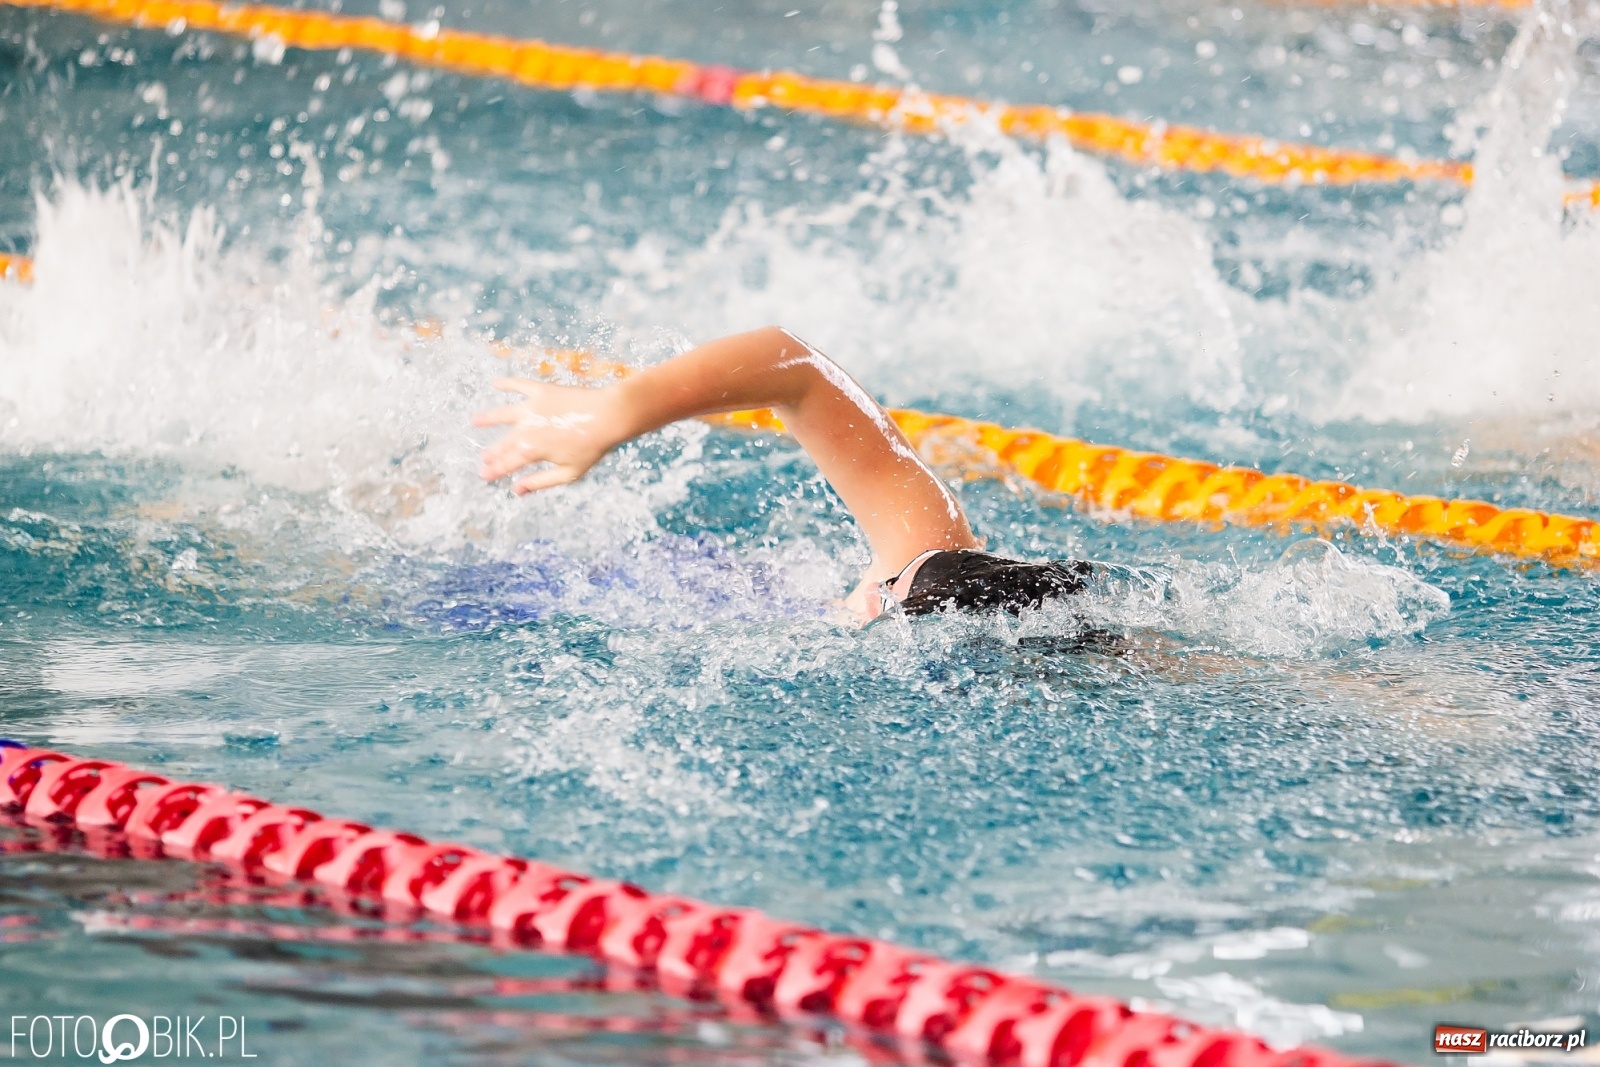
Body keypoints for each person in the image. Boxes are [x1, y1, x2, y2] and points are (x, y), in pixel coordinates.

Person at [473, 326, 1091, 624]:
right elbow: (787, 360)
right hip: (630, 577)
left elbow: (790, 367)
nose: (886, 585)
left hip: (572, 589)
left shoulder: (919, 569)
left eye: (891, 588)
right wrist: (617, 411)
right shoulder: (930, 559)